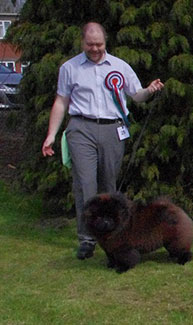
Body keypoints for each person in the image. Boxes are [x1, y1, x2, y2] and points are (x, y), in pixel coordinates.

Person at [41, 22, 164, 260]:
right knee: (85, 186)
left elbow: (136, 95)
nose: (95, 49)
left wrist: (149, 90)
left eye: (99, 44)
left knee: (109, 186)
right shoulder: (70, 68)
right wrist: (51, 135)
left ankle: (113, 237)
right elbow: (61, 102)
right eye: (90, 45)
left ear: (105, 42)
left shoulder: (120, 66)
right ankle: (87, 240)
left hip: (113, 129)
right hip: (81, 128)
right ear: (82, 42)